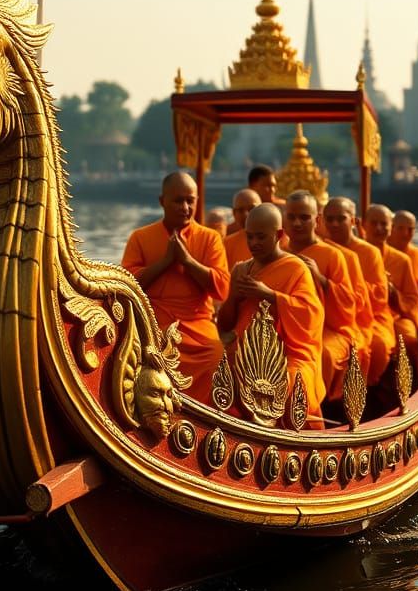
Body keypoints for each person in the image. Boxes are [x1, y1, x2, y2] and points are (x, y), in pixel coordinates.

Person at [121, 171, 230, 401]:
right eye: (178, 201)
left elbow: (222, 288)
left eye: (190, 201)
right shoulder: (140, 237)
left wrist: (188, 261)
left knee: (215, 354)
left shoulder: (210, 238)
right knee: (144, 354)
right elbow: (128, 285)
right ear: (162, 201)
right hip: (154, 321)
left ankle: (205, 415)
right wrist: (165, 262)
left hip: (197, 323)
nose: (185, 207)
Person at [217, 203, 325, 424]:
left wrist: (269, 295)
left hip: (287, 354)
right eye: (249, 237)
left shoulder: (295, 268)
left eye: (261, 237)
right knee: (215, 372)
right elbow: (225, 326)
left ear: (279, 235)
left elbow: (311, 315)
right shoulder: (241, 270)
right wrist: (234, 298)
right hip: (245, 352)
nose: (253, 243)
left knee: (292, 382)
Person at [283, 191, 368, 401]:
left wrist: (321, 279)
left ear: (317, 220)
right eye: (291, 217)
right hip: (286, 328)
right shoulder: (279, 252)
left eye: (304, 217)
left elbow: (349, 305)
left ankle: (314, 407)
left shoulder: (332, 255)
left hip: (330, 329)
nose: (297, 223)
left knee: (325, 355)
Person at [322, 196, 395, 385]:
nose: (335, 224)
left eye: (341, 218)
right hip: (329, 317)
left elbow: (380, 296)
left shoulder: (369, 252)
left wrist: (350, 287)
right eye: (330, 219)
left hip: (367, 317)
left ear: (354, 221)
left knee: (378, 346)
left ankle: (368, 390)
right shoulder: (321, 250)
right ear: (322, 221)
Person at [363, 203, 418, 377]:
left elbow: (412, 300)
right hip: (359, 315)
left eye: (384, 224)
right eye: (374, 223)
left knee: (409, 338)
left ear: (391, 228)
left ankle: (413, 383)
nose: (379, 228)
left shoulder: (401, 260)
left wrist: (392, 292)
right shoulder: (353, 255)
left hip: (394, 315)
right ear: (363, 225)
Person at [223, 188, 261, 265]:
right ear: (234, 214)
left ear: (262, 209)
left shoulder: (278, 239)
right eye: (240, 210)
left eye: (251, 208)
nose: (246, 214)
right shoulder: (227, 245)